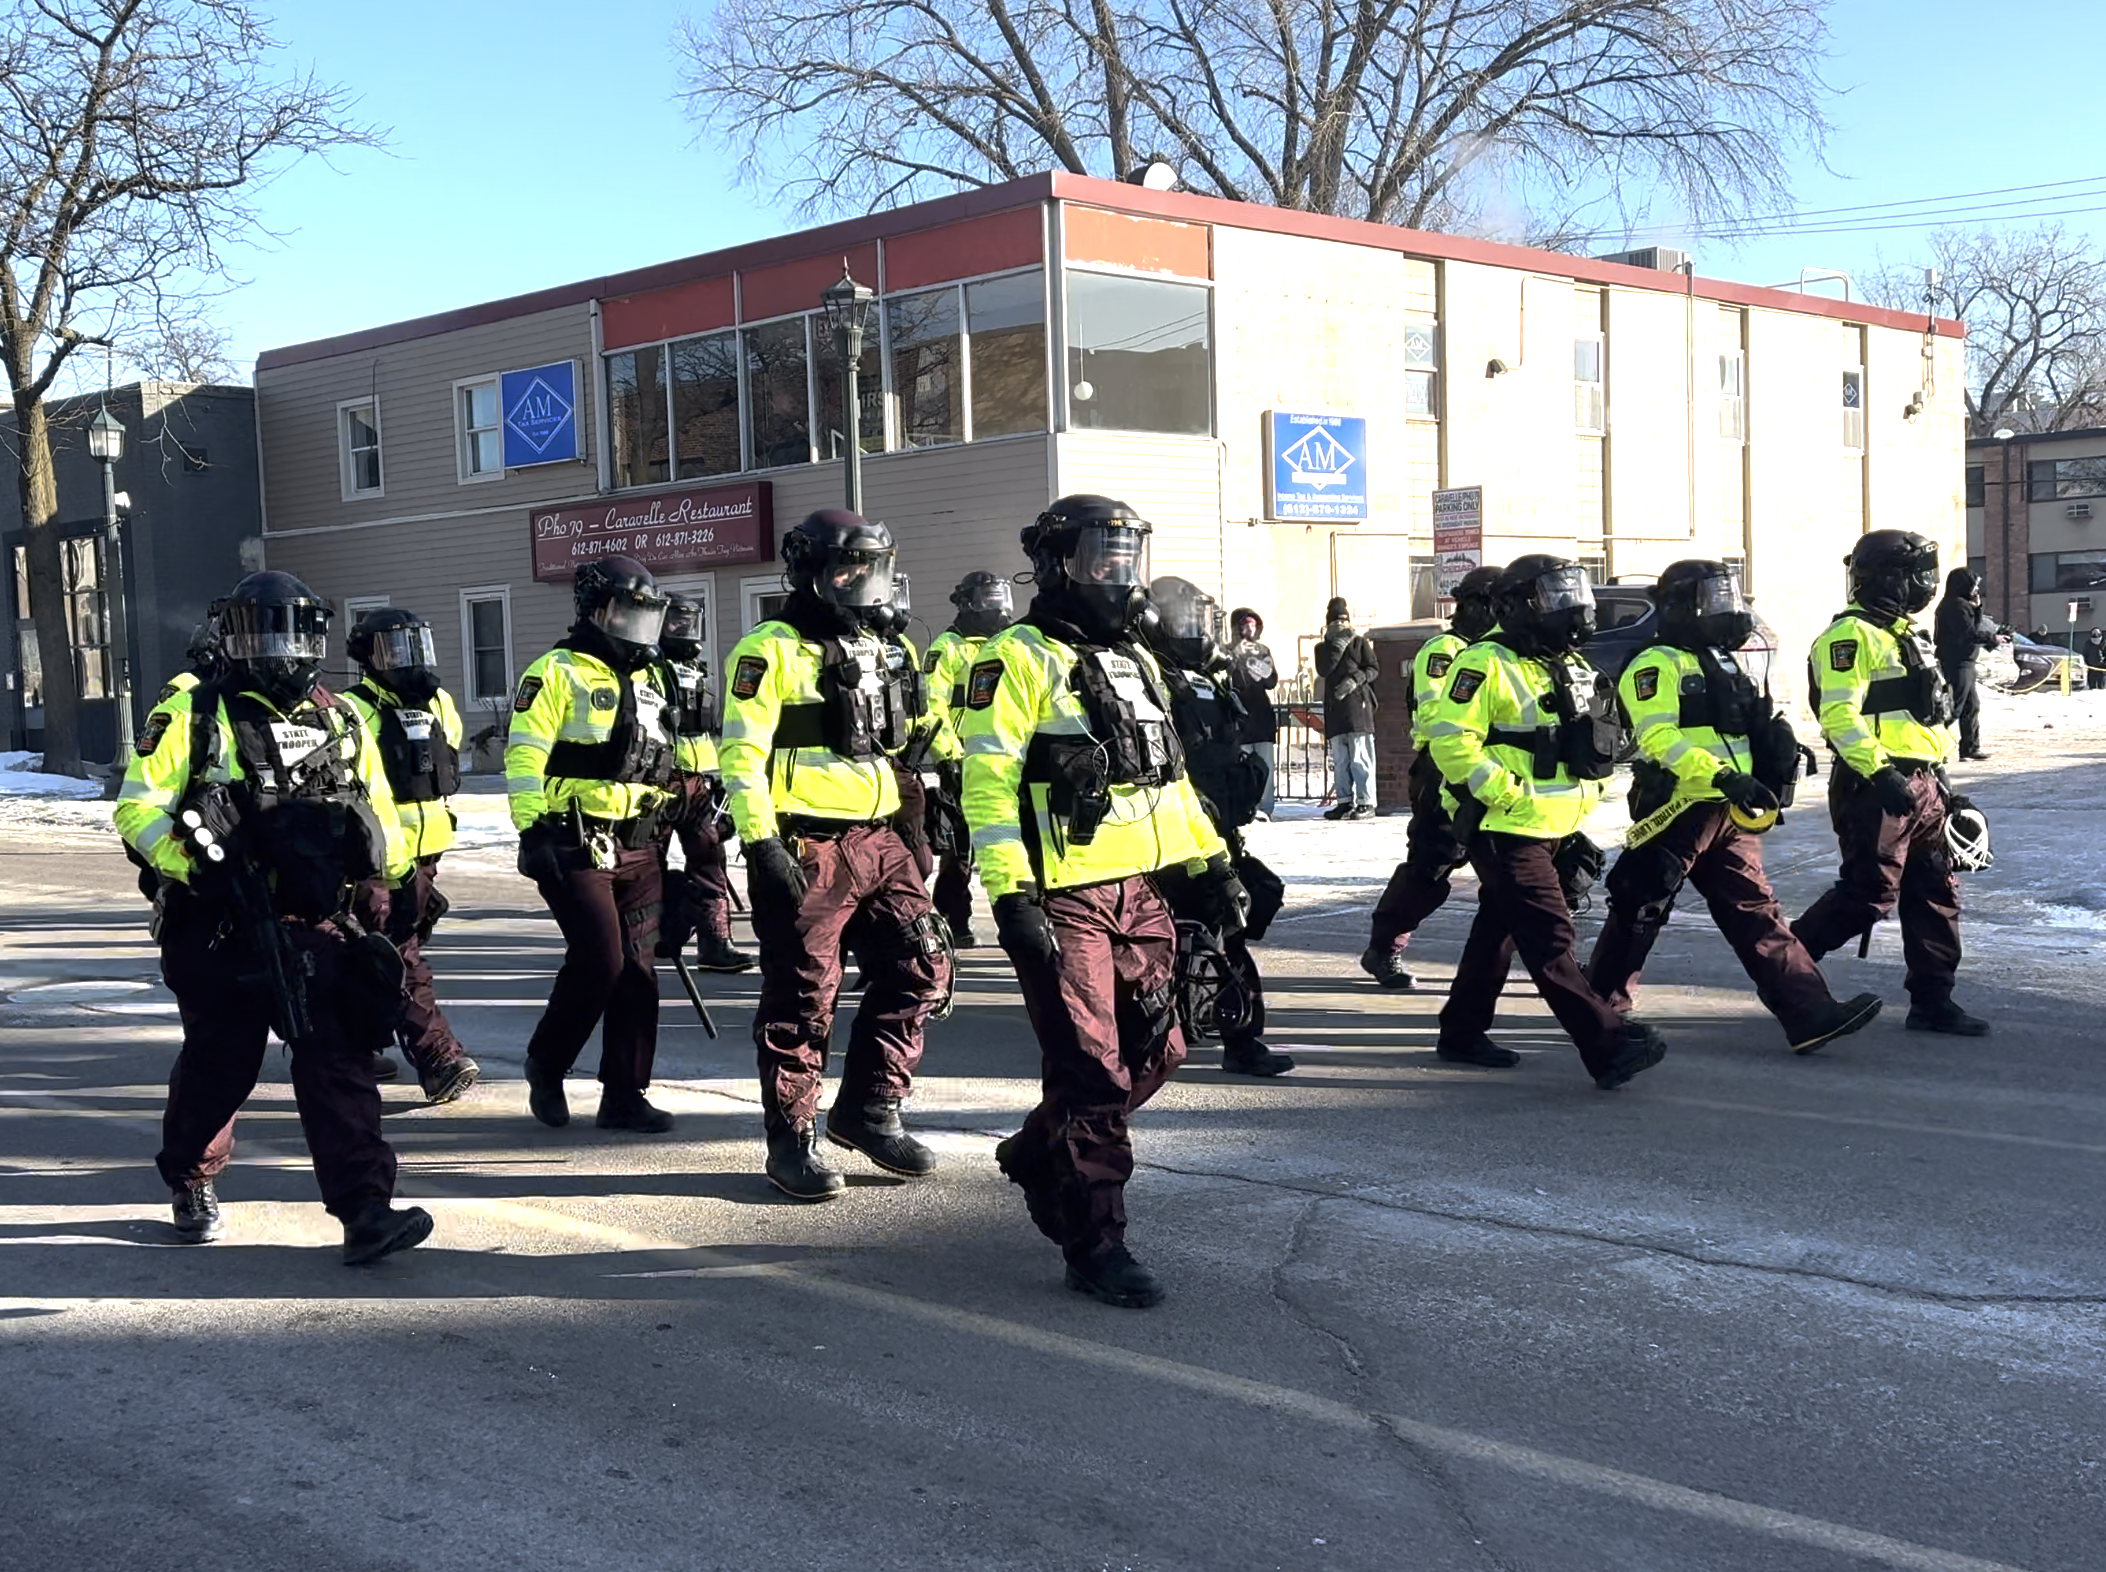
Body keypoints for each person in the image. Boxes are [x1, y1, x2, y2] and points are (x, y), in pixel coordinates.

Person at [959, 494, 1239, 1308]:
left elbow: (1168, 777)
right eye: (1099, 554)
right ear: (1055, 564)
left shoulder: (1138, 657)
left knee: (1162, 1049)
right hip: (1063, 894)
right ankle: (1095, 1242)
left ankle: (1034, 1148)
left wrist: (1213, 864)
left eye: (1128, 554)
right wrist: (1010, 895)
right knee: (1089, 1071)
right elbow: (986, 784)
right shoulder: (1015, 658)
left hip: (1139, 890)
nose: (1118, 571)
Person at [113, 570, 433, 1264]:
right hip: (217, 923)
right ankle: (191, 1177)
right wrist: (196, 862)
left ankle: (366, 1210)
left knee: (338, 1057)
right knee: (222, 1063)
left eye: (292, 632)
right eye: (260, 633)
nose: (278, 650)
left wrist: (393, 882)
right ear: (230, 636)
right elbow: (137, 808)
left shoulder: (340, 716)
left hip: (317, 922)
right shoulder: (193, 708)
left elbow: (378, 810)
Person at [717, 511, 950, 1200]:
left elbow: (921, 733)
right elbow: (741, 755)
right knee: (802, 997)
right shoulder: (771, 648)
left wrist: (949, 790)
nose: (860, 583)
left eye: (871, 569)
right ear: (810, 573)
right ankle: (791, 1140)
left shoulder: (887, 650)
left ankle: (870, 1108)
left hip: (882, 836)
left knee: (923, 965)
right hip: (807, 841)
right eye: (847, 569)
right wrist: (760, 841)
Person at [1584, 561, 1883, 1053]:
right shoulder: (1656, 663)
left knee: (1756, 910)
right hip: (1681, 805)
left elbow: (1743, 725)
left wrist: (1777, 751)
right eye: (1713, 601)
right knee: (1641, 907)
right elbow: (1658, 737)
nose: (1726, 611)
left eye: (1729, 599)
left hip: (1728, 808)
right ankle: (1600, 1014)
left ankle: (1809, 1012)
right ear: (1679, 608)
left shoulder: (1720, 661)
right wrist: (1723, 775)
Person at [1421, 555, 1668, 1085]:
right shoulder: (1483, 663)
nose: (1570, 605)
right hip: (1505, 826)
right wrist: (1504, 793)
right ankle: (1606, 1044)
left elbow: (1599, 744)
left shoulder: (1574, 666)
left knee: (1499, 930)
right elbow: (1451, 741)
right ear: (1515, 605)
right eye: (1554, 595)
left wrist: (1589, 795)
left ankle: (1461, 1031)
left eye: (1571, 592)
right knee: (1551, 939)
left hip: (1554, 825)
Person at [507, 555, 685, 1136]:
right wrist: (531, 829)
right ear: (595, 611)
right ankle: (547, 1063)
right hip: (572, 839)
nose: (639, 627)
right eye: (628, 613)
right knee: (600, 961)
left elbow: (667, 754)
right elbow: (525, 755)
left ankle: (624, 1095)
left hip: (640, 841)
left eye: (646, 615)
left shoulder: (653, 678)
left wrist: (696, 798)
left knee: (638, 970)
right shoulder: (557, 670)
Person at [1791, 531, 1987, 1036]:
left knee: (1936, 888)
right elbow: (1839, 715)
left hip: (1922, 784)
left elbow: (1928, 720)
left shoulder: (1908, 636)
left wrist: (1944, 781)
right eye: (1918, 576)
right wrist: (1877, 772)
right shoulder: (1848, 638)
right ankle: (1786, 967)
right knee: (1870, 892)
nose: (1926, 586)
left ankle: (1932, 1000)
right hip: (1875, 784)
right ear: (1886, 578)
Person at [1144, 576, 1293, 1078]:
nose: (1192, 630)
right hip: (1163, 833)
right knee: (1167, 937)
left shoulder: (1210, 677)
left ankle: (1241, 1037)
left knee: (1247, 908)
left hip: (1218, 829)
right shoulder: (1149, 676)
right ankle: (1163, 1033)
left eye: (1197, 619)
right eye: (1180, 619)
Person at [344, 609, 481, 1104]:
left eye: (414, 646)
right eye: (393, 650)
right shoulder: (352, 709)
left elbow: (448, 756)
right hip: (378, 858)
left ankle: (354, 1045)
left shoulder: (439, 701)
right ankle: (439, 1057)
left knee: (380, 958)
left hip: (425, 853)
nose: (408, 661)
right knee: (401, 958)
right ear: (366, 658)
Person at [1360, 565, 1502, 990]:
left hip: (1498, 772)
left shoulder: (1501, 653)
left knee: (1522, 871)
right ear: (1475, 606)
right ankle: (1385, 946)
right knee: (1433, 864)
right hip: (1444, 771)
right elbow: (1445, 716)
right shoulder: (1445, 650)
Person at [654, 594, 756, 974]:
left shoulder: (696, 670)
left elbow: (713, 729)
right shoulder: (646, 670)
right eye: (675, 621)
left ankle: (716, 942)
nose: (684, 629)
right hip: (658, 784)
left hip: (699, 783)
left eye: (689, 621)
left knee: (711, 859)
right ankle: (652, 935)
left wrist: (723, 778)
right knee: (649, 865)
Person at [922, 571, 1016, 945]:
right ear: (965, 604)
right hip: (962, 758)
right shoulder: (948, 648)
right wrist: (948, 755)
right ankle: (953, 916)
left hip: (1004, 759)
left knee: (1004, 841)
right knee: (961, 845)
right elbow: (931, 707)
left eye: (999, 599)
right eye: (986, 600)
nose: (996, 609)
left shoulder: (1007, 645)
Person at [1313, 597, 1379, 818]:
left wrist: (1356, 679)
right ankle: (1344, 801)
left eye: (1343, 620)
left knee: (1360, 756)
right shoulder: (1322, 648)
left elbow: (1373, 668)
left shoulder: (1360, 643)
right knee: (1340, 760)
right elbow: (1325, 669)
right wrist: (1336, 644)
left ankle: (1366, 801)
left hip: (1357, 707)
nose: (1340, 624)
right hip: (1335, 707)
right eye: (1336, 620)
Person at [1933, 568, 2002, 761]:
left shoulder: (1959, 604)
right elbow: (1968, 633)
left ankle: (1970, 747)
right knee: (1954, 706)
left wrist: (1977, 608)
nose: (1976, 589)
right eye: (1973, 586)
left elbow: (1973, 626)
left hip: (1964, 661)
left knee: (1971, 706)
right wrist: (1992, 638)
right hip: (1957, 661)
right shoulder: (1956, 606)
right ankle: (1937, 748)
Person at [1225, 608, 1279, 817]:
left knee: (1265, 763)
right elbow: (1227, 680)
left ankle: (1265, 807)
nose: (1249, 628)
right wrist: (1235, 659)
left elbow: (1271, 681)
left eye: (1253, 624)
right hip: (1240, 717)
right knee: (1243, 764)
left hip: (1262, 716)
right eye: (1245, 624)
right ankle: (1247, 805)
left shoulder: (1263, 651)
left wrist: (1256, 664)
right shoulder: (1229, 651)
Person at [2085, 626, 2106, 691]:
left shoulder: (2104, 643)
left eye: (2097, 633)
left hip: (2102, 668)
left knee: (2101, 686)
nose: (2096, 635)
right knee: (2092, 686)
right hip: (2091, 667)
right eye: (2094, 633)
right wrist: (2086, 663)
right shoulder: (2088, 643)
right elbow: (2085, 654)